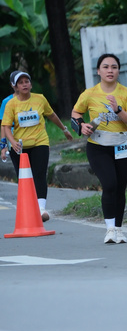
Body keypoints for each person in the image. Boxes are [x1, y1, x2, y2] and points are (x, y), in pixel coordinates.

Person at [71, 53, 127, 244]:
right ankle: (109, 229)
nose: (110, 70)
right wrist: (81, 125)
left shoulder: (126, 93)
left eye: (114, 67)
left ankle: (118, 229)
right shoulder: (89, 94)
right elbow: (75, 113)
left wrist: (118, 109)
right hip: (98, 147)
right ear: (98, 71)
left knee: (120, 188)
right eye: (106, 67)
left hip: (123, 145)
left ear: (119, 71)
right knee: (109, 184)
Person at [1, 70, 73, 220]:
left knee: (39, 174)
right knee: (24, 179)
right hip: (19, 146)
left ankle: (41, 209)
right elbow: (6, 127)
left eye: (26, 81)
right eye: (21, 83)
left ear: (31, 84)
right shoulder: (10, 104)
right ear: (15, 86)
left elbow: (51, 115)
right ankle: (28, 209)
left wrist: (64, 129)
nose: (24, 85)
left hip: (40, 142)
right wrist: (11, 143)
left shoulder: (40, 99)